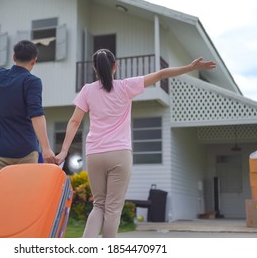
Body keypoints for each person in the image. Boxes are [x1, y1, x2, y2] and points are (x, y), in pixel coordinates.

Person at [55, 49, 216, 237]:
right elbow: (161, 74)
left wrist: (64, 151)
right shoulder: (125, 86)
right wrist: (190, 67)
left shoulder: (87, 90)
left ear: (94, 68)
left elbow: (74, 121)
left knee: (99, 205)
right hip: (120, 155)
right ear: (115, 66)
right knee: (113, 208)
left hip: (94, 155)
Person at [0, 40, 55, 181]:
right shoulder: (32, 82)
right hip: (25, 152)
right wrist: (46, 148)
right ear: (34, 61)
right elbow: (36, 114)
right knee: (24, 198)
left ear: (14, 57)